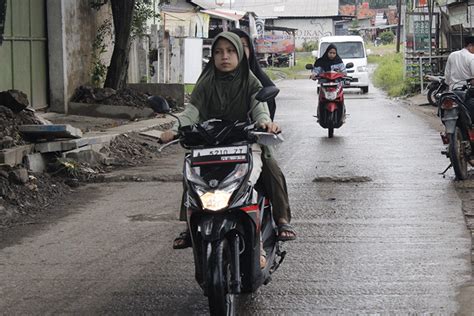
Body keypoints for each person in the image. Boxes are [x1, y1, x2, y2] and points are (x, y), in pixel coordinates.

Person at [160, 32, 296, 250]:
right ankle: (189, 224)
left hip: (244, 141)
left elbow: (259, 106)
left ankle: (281, 219)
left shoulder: (250, 81)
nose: (225, 56)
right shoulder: (205, 83)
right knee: (191, 175)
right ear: (212, 56)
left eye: (231, 51)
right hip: (210, 143)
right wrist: (175, 129)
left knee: (271, 168)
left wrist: (265, 123)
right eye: (218, 52)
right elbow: (191, 112)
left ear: (241, 54)